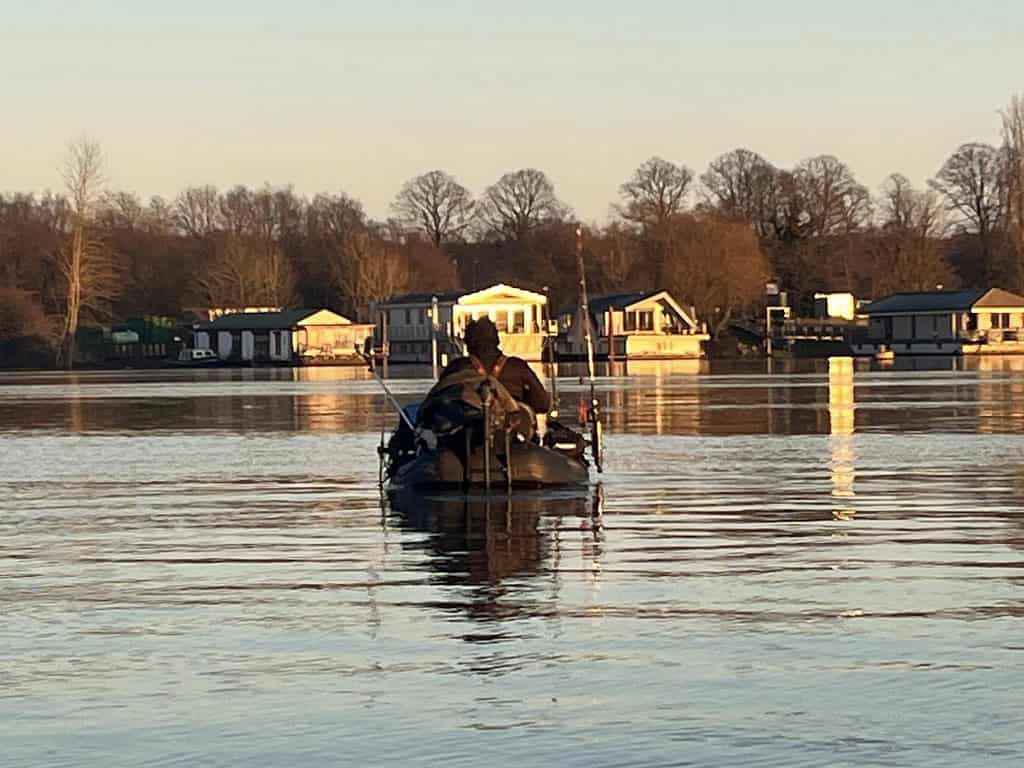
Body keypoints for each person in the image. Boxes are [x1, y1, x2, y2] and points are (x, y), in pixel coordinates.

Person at [440, 316, 551, 415]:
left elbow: (437, 402)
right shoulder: (518, 367)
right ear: (497, 340)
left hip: (467, 432)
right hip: (511, 432)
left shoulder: (456, 367)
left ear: (469, 343)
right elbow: (543, 405)